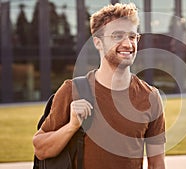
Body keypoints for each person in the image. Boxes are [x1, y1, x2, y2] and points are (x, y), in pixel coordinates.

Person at [33, 2, 166, 169]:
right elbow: (40, 149)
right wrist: (72, 126)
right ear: (98, 42)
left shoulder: (150, 97)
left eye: (132, 36)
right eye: (117, 36)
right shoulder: (72, 90)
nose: (128, 44)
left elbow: (157, 164)